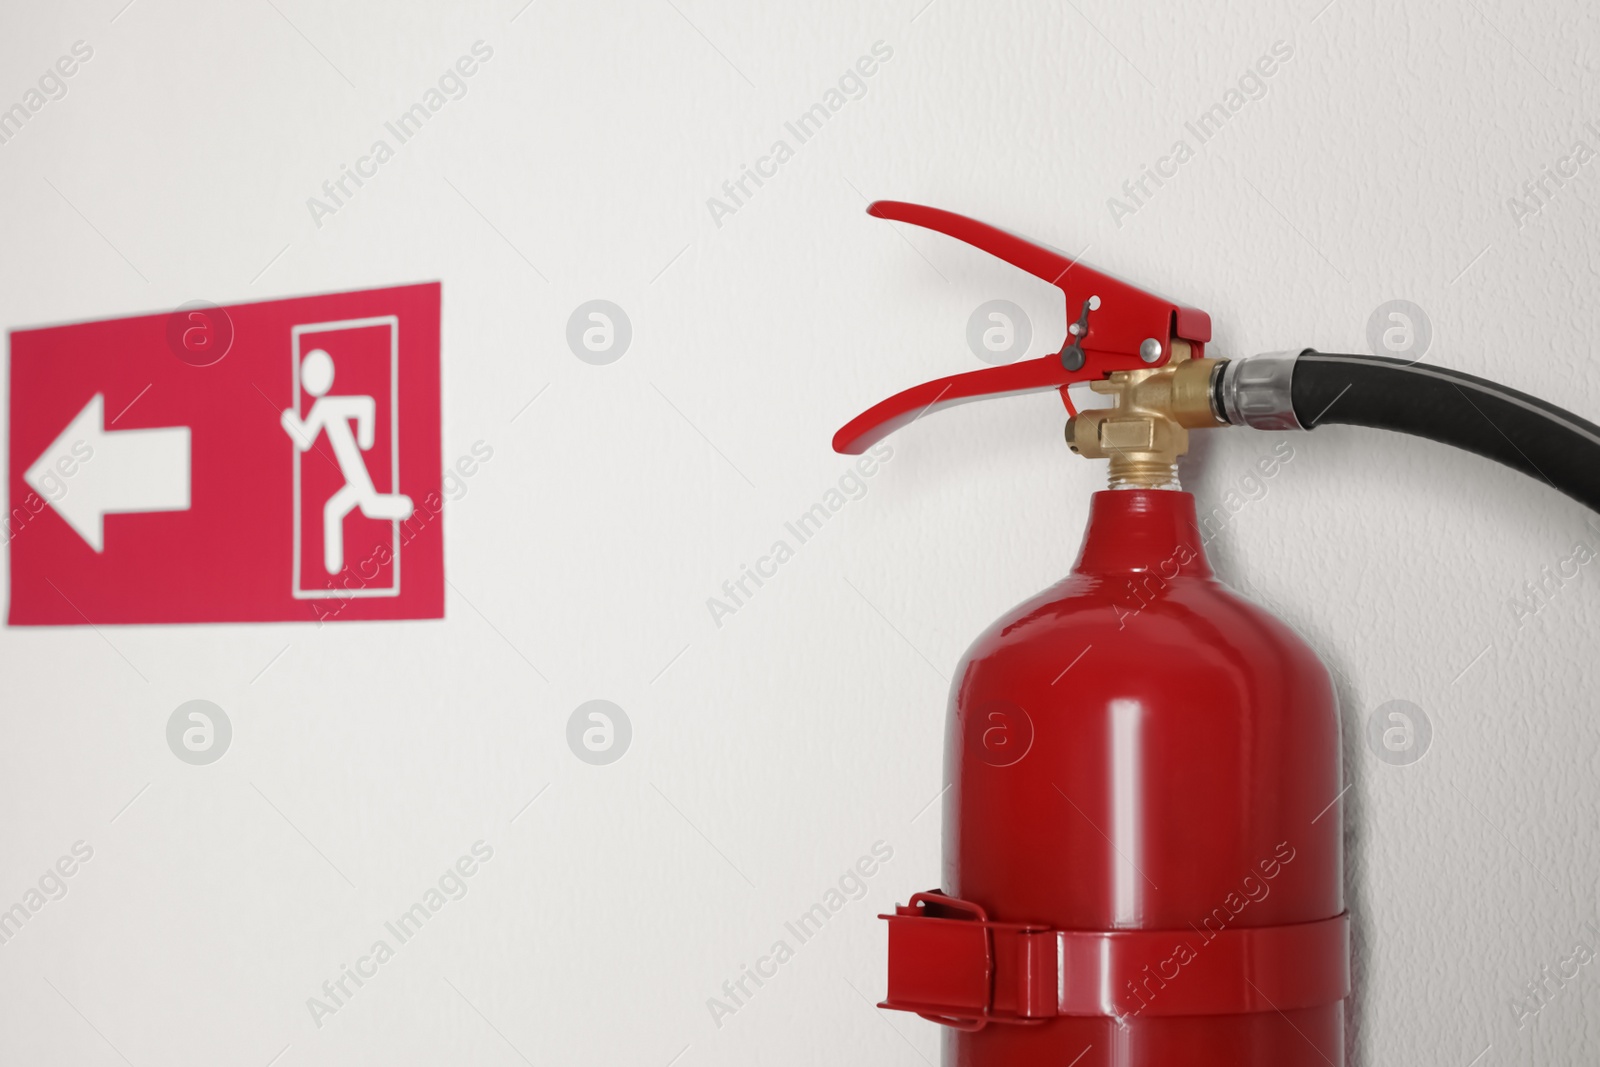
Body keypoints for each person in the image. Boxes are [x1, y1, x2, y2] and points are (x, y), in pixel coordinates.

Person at [279, 348, 412, 574]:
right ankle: (333, 567)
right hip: (350, 468)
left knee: (346, 508)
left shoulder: (325, 406)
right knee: (351, 507)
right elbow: (306, 441)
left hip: (352, 466)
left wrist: (365, 438)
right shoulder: (324, 406)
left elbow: (304, 440)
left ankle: (404, 507)